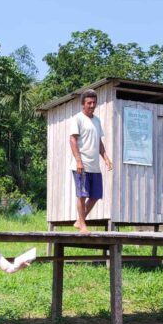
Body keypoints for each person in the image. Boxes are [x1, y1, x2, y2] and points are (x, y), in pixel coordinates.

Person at [68, 89, 113, 234]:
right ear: (83, 104)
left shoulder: (97, 120)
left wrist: (106, 158)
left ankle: (79, 220)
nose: (92, 105)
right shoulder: (78, 119)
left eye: (94, 102)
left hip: (94, 166)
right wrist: (79, 161)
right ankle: (82, 225)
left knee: (95, 195)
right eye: (89, 103)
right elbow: (73, 139)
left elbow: (98, 141)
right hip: (81, 164)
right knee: (82, 195)